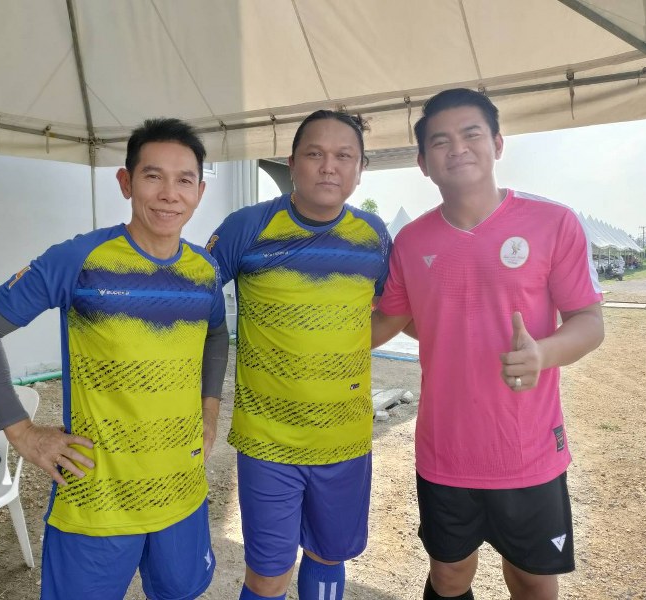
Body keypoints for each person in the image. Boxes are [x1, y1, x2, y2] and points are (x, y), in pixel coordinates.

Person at [0, 118, 229, 600]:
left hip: (181, 492)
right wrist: (22, 432)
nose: (169, 194)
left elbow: (216, 334)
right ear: (126, 182)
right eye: (153, 176)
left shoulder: (205, 270)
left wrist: (210, 411)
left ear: (200, 191)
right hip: (96, 499)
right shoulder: (80, 259)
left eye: (184, 180)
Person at [372, 88, 605, 600]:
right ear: (422, 162)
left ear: (498, 143)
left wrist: (543, 353)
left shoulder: (553, 223)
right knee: (449, 575)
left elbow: (589, 321)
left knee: (531, 578)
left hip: (528, 448)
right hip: (445, 448)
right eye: (440, 141)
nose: (457, 148)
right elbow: (391, 319)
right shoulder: (411, 242)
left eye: (471, 133)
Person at [207, 110, 391, 600]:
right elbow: (193, 300)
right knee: (269, 573)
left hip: (345, 440)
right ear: (291, 163)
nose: (329, 167)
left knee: (329, 556)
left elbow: (396, 311)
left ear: (360, 169)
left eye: (344, 156)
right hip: (268, 441)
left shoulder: (374, 235)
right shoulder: (247, 227)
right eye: (315, 154)